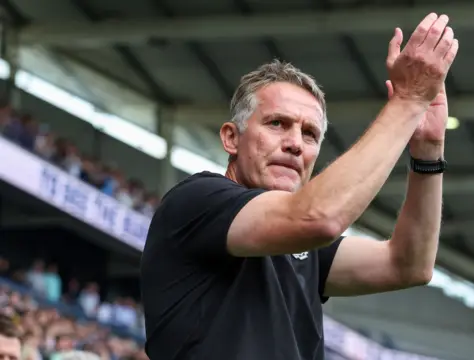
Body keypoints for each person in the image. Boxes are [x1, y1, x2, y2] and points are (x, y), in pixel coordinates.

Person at [141, 12, 458, 360]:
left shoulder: (304, 247)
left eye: (310, 134)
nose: (296, 144)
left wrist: (428, 148)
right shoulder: (196, 201)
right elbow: (318, 217)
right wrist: (407, 102)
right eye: (278, 124)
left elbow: (408, 265)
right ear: (232, 138)